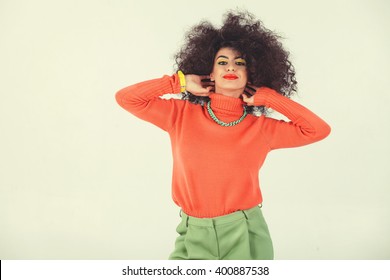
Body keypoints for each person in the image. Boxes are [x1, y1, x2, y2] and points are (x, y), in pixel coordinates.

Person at [115, 10, 331, 260]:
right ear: (210, 71)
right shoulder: (180, 115)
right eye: (222, 62)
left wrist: (270, 98)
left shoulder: (261, 128)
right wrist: (179, 83)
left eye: (240, 63)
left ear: (253, 74)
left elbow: (318, 130)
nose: (231, 67)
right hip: (192, 231)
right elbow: (127, 98)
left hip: (244, 231)